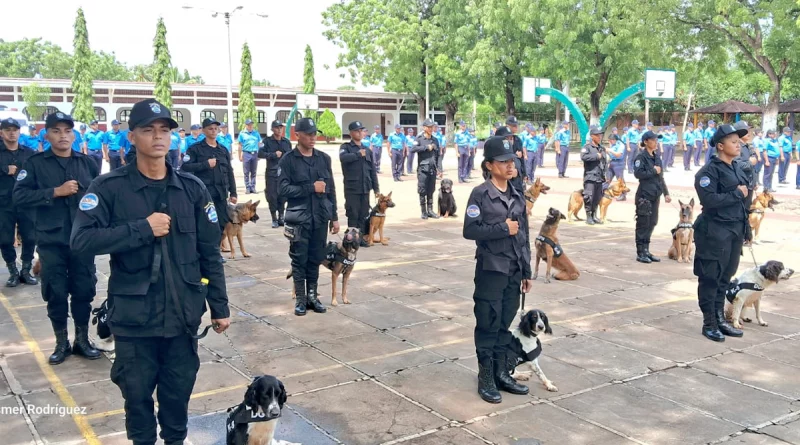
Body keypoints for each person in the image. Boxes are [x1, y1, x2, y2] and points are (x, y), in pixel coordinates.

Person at [70, 98, 231, 445]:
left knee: (177, 401)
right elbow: (81, 241)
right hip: (134, 321)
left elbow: (209, 251)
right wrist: (142, 228)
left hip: (182, 317)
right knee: (137, 402)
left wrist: (220, 306)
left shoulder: (191, 188)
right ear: (132, 137)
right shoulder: (109, 188)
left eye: (164, 130)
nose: (158, 137)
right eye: (148, 130)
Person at [13, 112, 100, 365]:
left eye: (67, 131)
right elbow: (19, 196)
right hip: (52, 241)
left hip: (83, 240)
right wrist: (54, 192)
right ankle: (61, 342)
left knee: (84, 290)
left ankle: (82, 340)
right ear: (47, 134)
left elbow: (101, 198)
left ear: (74, 134)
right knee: (56, 292)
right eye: (56, 131)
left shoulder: (87, 163)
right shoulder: (35, 163)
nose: (63, 136)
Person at [463, 136, 533, 404]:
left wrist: (526, 271)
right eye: (503, 162)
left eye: (511, 160)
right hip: (491, 270)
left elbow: (524, 235)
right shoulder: (480, 194)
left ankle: (502, 372)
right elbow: (470, 230)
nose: (509, 165)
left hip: (513, 270)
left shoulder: (516, 194)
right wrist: (503, 228)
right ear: (490, 165)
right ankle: (486, 377)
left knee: (504, 322)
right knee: (488, 324)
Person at [693, 124, 750, 342]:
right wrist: (736, 194)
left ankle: (719, 319)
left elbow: (744, 202)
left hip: (734, 231)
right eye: (734, 142)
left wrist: (747, 230)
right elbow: (710, 201)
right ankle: (709, 323)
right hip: (714, 232)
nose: (738, 145)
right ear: (720, 146)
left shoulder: (736, 167)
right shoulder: (708, 172)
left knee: (725, 278)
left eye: (739, 141)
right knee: (710, 278)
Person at [278, 118, 339, 316]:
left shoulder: (323, 158)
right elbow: (282, 189)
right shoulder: (288, 160)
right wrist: (309, 188)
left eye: (315, 134)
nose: (313, 138)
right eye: (309, 134)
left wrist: (335, 216)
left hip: (320, 216)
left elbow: (331, 189)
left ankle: (313, 296)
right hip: (299, 218)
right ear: (298, 135)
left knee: (316, 258)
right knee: (299, 259)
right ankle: (301, 299)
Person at [181, 118, 238, 257]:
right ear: (204, 130)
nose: (214, 131)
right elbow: (185, 167)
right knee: (206, 223)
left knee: (221, 223)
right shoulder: (195, 149)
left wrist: (233, 192)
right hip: (204, 194)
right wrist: (205, 164)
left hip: (220, 194)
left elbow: (229, 171)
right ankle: (205, 252)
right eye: (210, 128)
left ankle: (214, 251)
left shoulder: (222, 150)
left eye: (215, 128)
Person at [1, 118, 38, 287]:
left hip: (26, 203)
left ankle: (25, 269)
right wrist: (4, 170)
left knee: (30, 237)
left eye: (14, 129)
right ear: (1, 132)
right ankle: (12, 272)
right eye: (7, 129)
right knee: (4, 239)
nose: (11, 132)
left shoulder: (29, 153)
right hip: (4, 203)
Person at [632, 131, 672, 263]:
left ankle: (646, 250)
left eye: (656, 140)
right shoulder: (641, 157)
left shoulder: (657, 157)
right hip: (644, 195)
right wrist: (653, 171)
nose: (656, 142)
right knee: (643, 223)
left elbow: (661, 177)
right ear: (646, 142)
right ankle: (640, 252)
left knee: (652, 222)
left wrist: (666, 193)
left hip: (655, 195)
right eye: (653, 140)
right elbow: (638, 174)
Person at [340, 121, 380, 247]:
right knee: (353, 214)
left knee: (363, 214)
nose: (359, 133)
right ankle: (351, 239)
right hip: (352, 188)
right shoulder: (345, 147)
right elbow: (343, 158)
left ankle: (360, 238)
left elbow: (372, 171)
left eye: (361, 130)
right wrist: (357, 155)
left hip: (365, 187)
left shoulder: (367, 150)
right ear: (351, 133)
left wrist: (376, 188)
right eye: (357, 131)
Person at [258, 120, 291, 228]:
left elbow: (291, 156)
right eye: (277, 128)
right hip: (271, 172)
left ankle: (281, 216)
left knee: (283, 195)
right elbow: (260, 153)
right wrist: (273, 155)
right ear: (272, 129)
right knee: (272, 196)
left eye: (281, 127)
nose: (279, 130)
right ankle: (274, 218)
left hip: (284, 173)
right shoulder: (267, 141)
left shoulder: (286, 142)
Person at [410, 119, 441, 220]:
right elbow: (413, 149)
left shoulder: (435, 140)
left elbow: (438, 155)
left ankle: (430, 210)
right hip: (423, 169)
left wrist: (440, 169)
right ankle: (423, 211)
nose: (431, 129)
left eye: (432, 127)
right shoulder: (419, 139)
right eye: (429, 127)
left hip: (432, 169)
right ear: (424, 128)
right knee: (422, 190)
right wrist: (426, 147)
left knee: (431, 190)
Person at [580, 127, 608, 225]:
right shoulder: (587, 147)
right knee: (589, 197)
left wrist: (606, 174)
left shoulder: (602, 148)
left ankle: (594, 215)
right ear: (592, 136)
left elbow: (605, 162)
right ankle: (588, 216)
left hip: (599, 177)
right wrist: (596, 156)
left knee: (597, 197)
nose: (599, 137)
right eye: (597, 135)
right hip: (590, 176)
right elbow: (583, 157)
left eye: (600, 135)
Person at [733, 121, 758, 211]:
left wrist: (755, 181)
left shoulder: (746, 146)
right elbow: (737, 164)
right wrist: (750, 162)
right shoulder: (736, 146)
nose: (749, 133)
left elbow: (754, 166)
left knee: (747, 210)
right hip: (741, 185)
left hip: (749, 184)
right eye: (745, 130)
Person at [237, 119, 262, 194]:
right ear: (246, 125)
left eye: (251, 124)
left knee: (254, 172)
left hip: (254, 153)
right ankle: (247, 188)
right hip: (246, 154)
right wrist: (240, 156)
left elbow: (259, 144)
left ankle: (253, 187)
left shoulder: (256, 133)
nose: (250, 126)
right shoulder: (242, 134)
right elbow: (240, 145)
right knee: (246, 172)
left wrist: (259, 154)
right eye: (248, 125)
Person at [606, 134, 627, 201]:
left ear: (614, 140)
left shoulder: (621, 145)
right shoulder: (613, 145)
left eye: (611, 141)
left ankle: (623, 195)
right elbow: (612, 155)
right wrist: (607, 152)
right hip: (612, 162)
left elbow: (618, 155)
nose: (610, 142)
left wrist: (610, 150)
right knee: (607, 178)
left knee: (620, 180)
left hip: (619, 163)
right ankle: (603, 191)